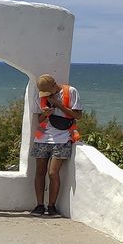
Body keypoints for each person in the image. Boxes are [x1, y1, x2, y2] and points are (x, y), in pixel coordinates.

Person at [29, 74, 82, 217]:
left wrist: (58, 105)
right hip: (42, 137)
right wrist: (46, 114)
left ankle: (52, 206)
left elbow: (78, 115)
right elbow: (39, 118)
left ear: (54, 85)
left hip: (62, 137)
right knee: (40, 172)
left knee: (53, 173)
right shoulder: (42, 96)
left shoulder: (70, 92)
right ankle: (39, 205)